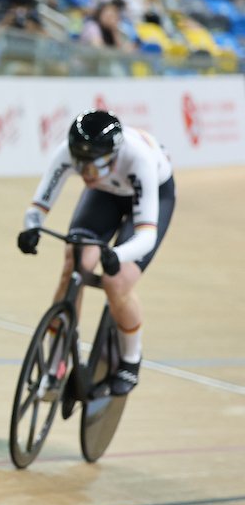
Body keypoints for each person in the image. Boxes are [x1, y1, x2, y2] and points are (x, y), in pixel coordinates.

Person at [17, 111, 175, 395]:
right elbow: (38, 206)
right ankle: (56, 363)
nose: (87, 174)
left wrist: (118, 254)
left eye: (95, 165)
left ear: (113, 155)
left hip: (152, 193)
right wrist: (32, 228)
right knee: (75, 264)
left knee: (118, 281)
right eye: (81, 166)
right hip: (105, 193)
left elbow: (146, 236)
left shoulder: (138, 159)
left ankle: (131, 358)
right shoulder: (68, 152)